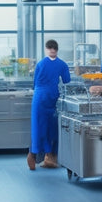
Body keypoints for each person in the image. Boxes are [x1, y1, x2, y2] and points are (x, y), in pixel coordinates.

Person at [27, 39, 70, 171]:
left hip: (42, 97)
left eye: (53, 48)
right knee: (49, 127)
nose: (52, 50)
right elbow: (67, 80)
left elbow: (34, 83)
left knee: (40, 126)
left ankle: (38, 155)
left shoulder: (40, 64)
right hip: (51, 97)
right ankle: (44, 155)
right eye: (51, 48)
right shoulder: (62, 64)